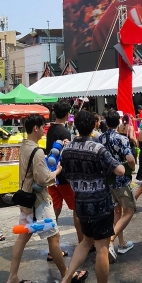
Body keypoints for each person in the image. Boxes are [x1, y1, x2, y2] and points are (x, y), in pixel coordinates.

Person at [51, 110, 126, 283]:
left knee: (85, 242)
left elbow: (62, 171)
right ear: (93, 126)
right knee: (101, 247)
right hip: (100, 203)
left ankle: (66, 279)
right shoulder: (98, 148)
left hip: (81, 203)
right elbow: (120, 170)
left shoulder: (67, 150)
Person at [6, 114, 81, 283]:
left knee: (22, 238)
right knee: (54, 237)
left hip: (26, 200)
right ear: (36, 128)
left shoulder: (24, 146)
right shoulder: (37, 151)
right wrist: (58, 171)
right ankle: (66, 274)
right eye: (42, 127)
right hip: (38, 202)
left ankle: (12, 278)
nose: (44, 130)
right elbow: (44, 178)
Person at [96, 110, 136, 261]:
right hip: (121, 180)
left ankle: (123, 243)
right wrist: (130, 169)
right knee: (129, 211)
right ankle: (111, 240)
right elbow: (130, 159)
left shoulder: (100, 139)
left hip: (108, 181)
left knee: (117, 212)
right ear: (118, 122)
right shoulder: (121, 139)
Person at [46, 100, 83, 247]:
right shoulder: (64, 132)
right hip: (64, 177)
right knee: (76, 209)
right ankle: (82, 243)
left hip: (52, 175)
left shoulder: (51, 129)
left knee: (55, 210)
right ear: (67, 114)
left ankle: (52, 248)